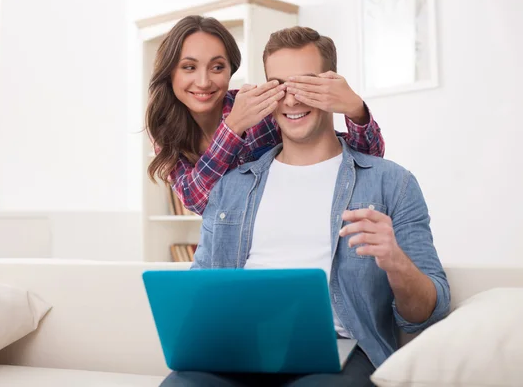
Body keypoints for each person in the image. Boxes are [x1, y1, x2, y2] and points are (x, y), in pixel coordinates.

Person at [159, 27, 450, 387]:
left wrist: (395, 262)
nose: (293, 100)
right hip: (239, 349)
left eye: (307, 85)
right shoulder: (230, 188)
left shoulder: (392, 183)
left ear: (330, 88)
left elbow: (425, 314)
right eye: (281, 87)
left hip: (337, 352)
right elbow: (200, 275)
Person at [145, 15, 385, 215]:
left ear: (231, 70)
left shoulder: (261, 105)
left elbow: (364, 157)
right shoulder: (164, 131)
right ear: (170, 72)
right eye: (189, 67)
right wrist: (233, 128)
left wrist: (356, 110)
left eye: (218, 67)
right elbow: (197, 201)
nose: (204, 81)